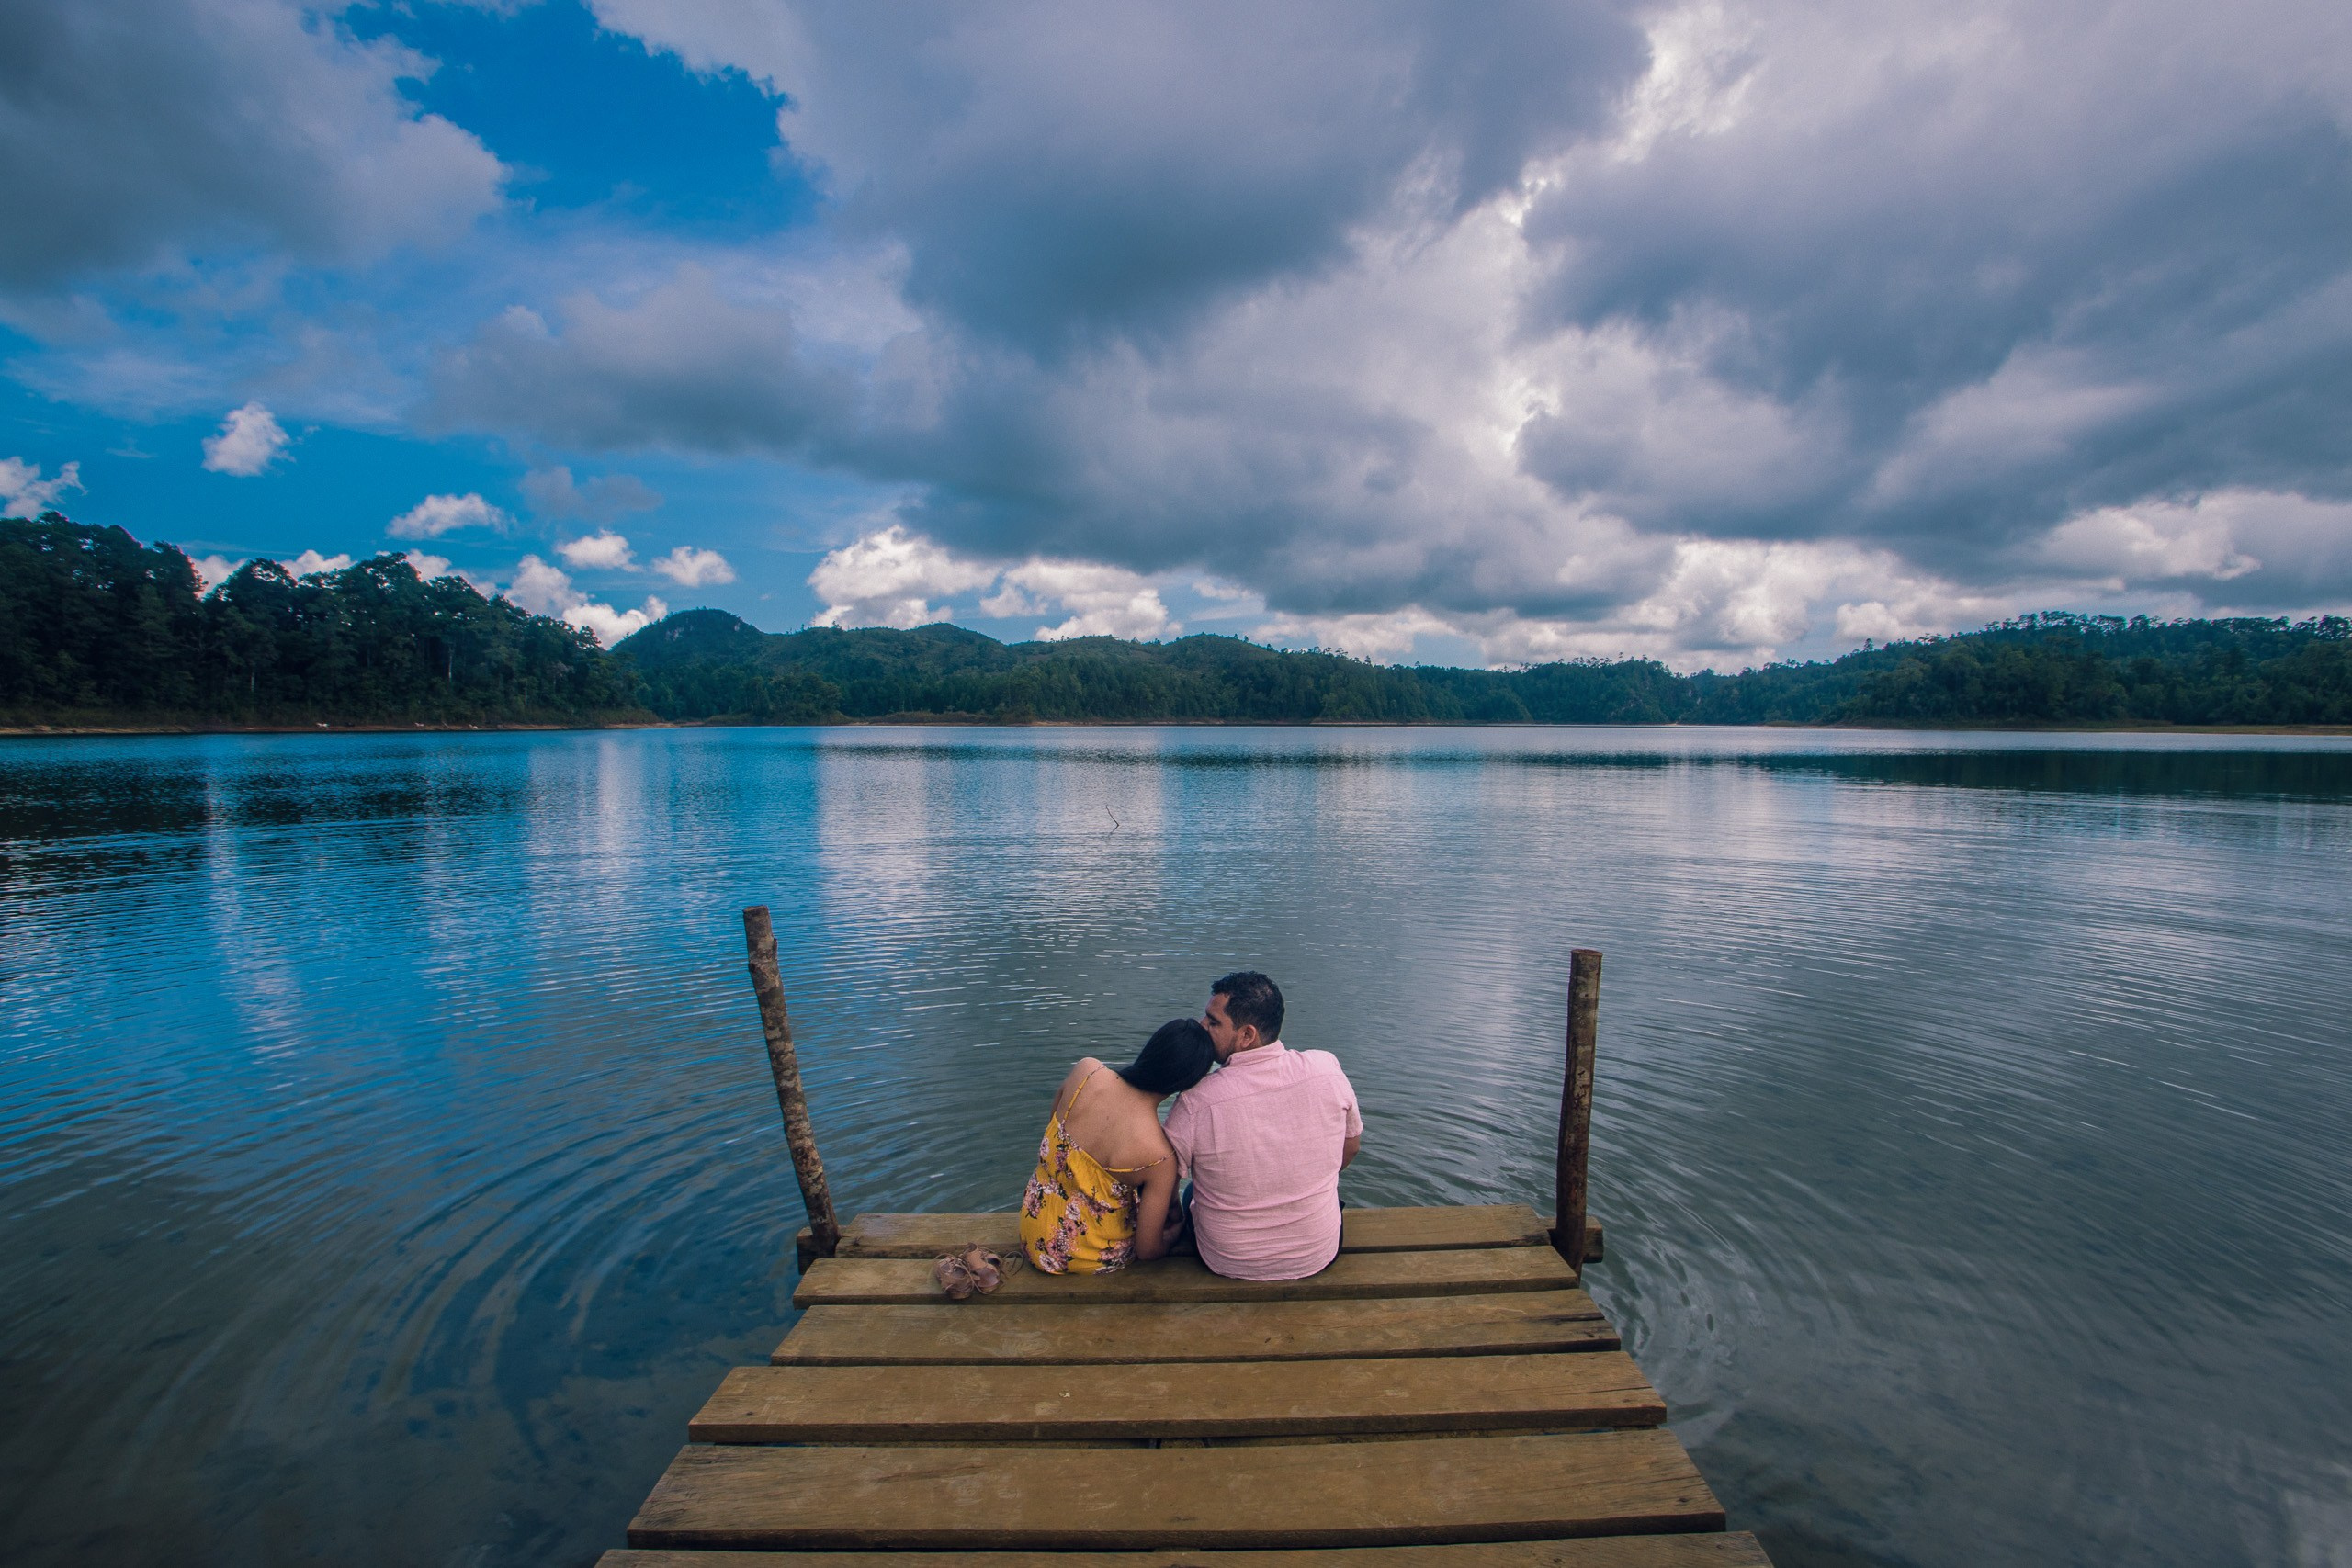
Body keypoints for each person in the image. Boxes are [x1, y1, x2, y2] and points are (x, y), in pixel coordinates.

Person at [1162, 971, 1362, 1280]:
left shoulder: (1195, 1101)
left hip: (1228, 1261)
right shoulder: (1327, 1070)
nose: (1202, 1026)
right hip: (1318, 1252)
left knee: (1191, 1196)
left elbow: (1163, 1181)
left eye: (1213, 1022)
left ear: (1246, 1035)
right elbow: (1350, 1146)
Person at [1019, 1018, 1216, 1274]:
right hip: (1087, 1258)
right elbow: (1148, 1251)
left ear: (1152, 1048)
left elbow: (1054, 1131)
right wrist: (1174, 1236)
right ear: (1187, 1082)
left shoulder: (1086, 1071)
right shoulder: (1159, 1157)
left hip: (1032, 1233)